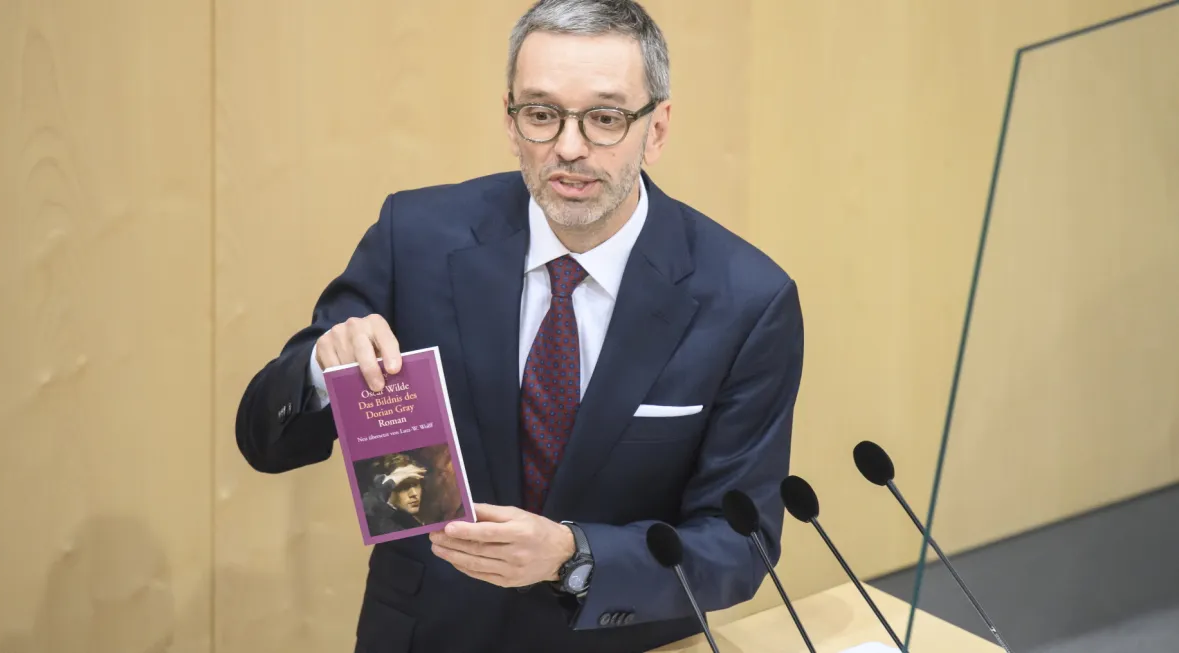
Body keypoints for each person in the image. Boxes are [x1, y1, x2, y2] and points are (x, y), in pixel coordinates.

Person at [234, 0, 805, 651]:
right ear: (510, 122)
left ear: (658, 127)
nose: (568, 147)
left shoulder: (745, 299)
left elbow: (738, 543)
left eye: (605, 118)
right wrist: (317, 370)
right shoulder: (415, 237)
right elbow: (263, 437)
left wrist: (573, 552)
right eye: (540, 114)